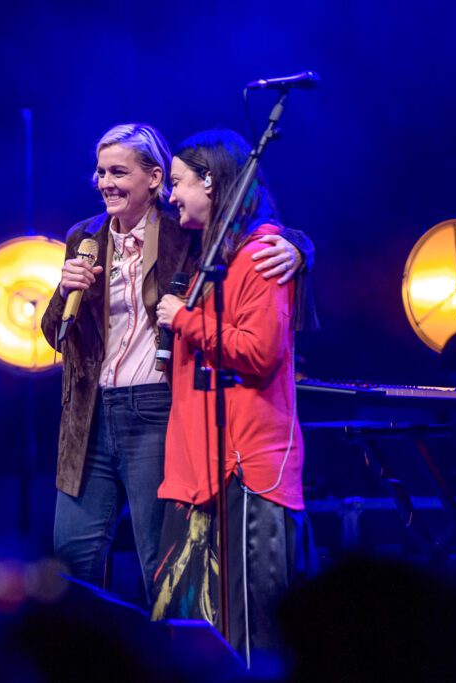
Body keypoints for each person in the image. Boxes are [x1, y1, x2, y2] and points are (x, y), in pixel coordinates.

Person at [40, 123, 314, 603]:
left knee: (160, 562)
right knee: (71, 561)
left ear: (155, 177)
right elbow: (55, 336)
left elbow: (245, 221)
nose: (105, 182)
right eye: (100, 171)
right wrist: (64, 291)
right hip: (87, 414)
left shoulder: (183, 231)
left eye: (118, 172)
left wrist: (300, 247)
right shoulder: (83, 236)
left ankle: (164, 660)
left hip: (155, 408)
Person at [153, 129, 315, 662]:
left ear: (211, 181)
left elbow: (259, 350)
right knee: (204, 636)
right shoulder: (215, 255)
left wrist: (186, 320)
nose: (170, 194)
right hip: (207, 468)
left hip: (247, 468)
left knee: (252, 633)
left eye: (177, 182)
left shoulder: (260, 254)